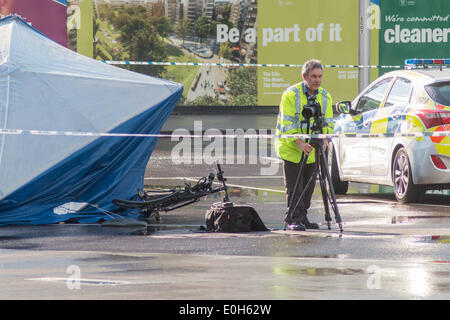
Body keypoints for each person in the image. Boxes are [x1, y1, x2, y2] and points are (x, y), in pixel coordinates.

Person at [275, 59, 334, 231]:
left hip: (314, 151)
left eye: (320, 76)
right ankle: (293, 218)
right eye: (313, 76)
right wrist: (300, 143)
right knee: (295, 188)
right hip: (292, 149)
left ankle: (303, 216)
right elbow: (288, 124)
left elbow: (328, 123)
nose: (317, 80)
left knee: (308, 188)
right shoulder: (291, 94)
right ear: (304, 76)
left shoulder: (325, 96)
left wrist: (324, 140)